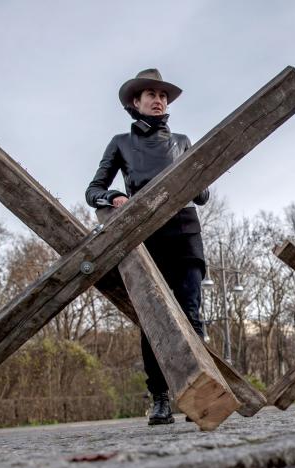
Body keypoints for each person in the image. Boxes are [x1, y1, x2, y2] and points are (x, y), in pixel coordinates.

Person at [85, 68, 209, 426]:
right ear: (135, 103)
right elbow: (93, 191)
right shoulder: (121, 142)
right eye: (150, 94)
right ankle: (160, 398)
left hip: (185, 232)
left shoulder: (183, 140)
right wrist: (115, 196)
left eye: (163, 95)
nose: (158, 100)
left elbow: (202, 195)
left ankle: (199, 394)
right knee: (153, 319)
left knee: (191, 312)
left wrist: (196, 172)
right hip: (144, 236)